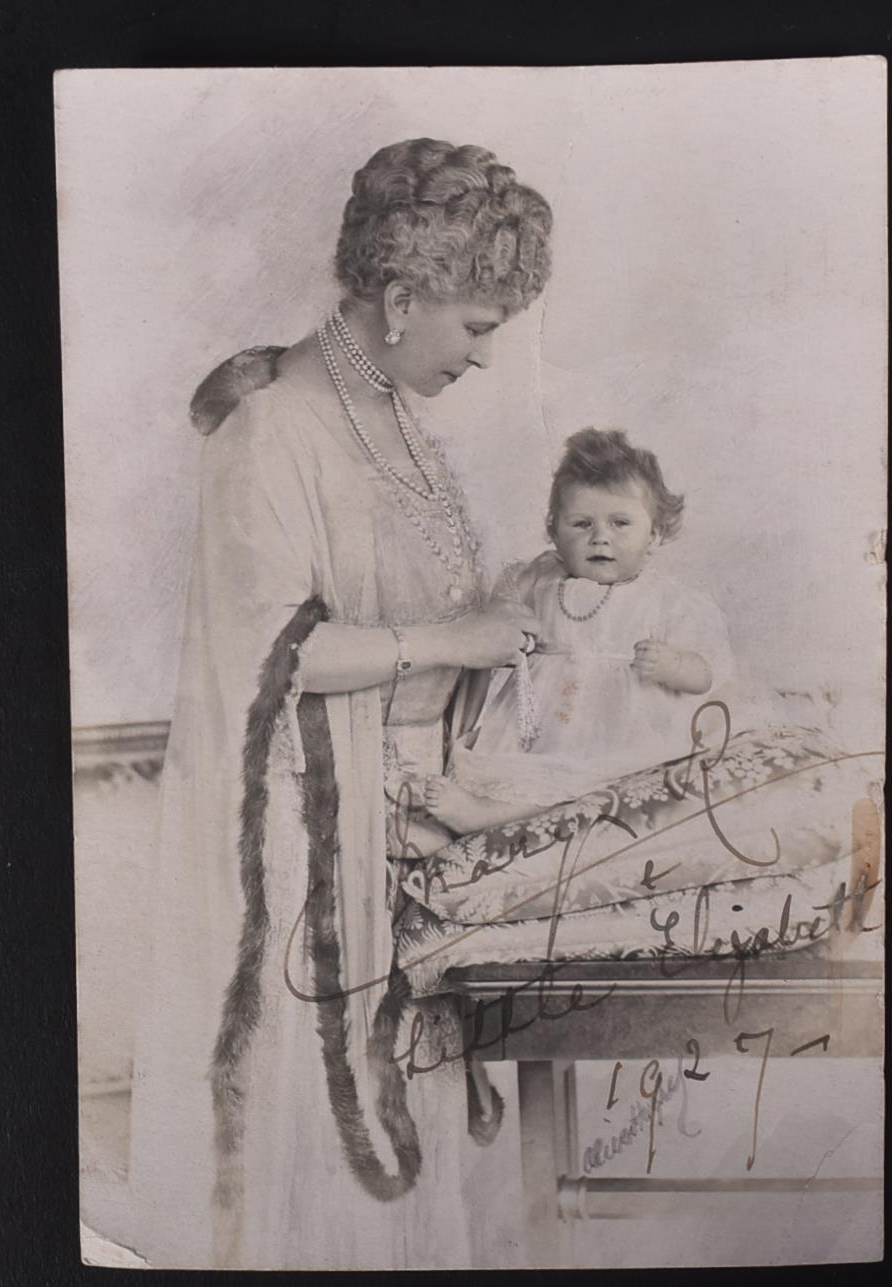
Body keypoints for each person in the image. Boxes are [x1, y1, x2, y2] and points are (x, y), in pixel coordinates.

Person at [127, 138, 552, 1270]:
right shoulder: (275, 428)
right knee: (320, 1145)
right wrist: (451, 639)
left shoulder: (401, 423)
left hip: (412, 833)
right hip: (310, 844)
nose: (482, 356)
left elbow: (419, 609)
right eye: (475, 327)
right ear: (402, 297)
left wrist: (503, 624)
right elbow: (265, 651)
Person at [424, 428, 738, 833]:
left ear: (654, 534)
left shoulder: (665, 599)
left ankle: (488, 817)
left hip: (621, 730)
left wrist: (674, 665)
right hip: (544, 725)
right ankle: (479, 813)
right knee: (522, 775)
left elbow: (707, 673)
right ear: (555, 531)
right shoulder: (540, 579)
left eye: (620, 523)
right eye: (581, 523)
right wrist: (511, 630)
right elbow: (500, 615)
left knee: (593, 786)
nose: (600, 537)